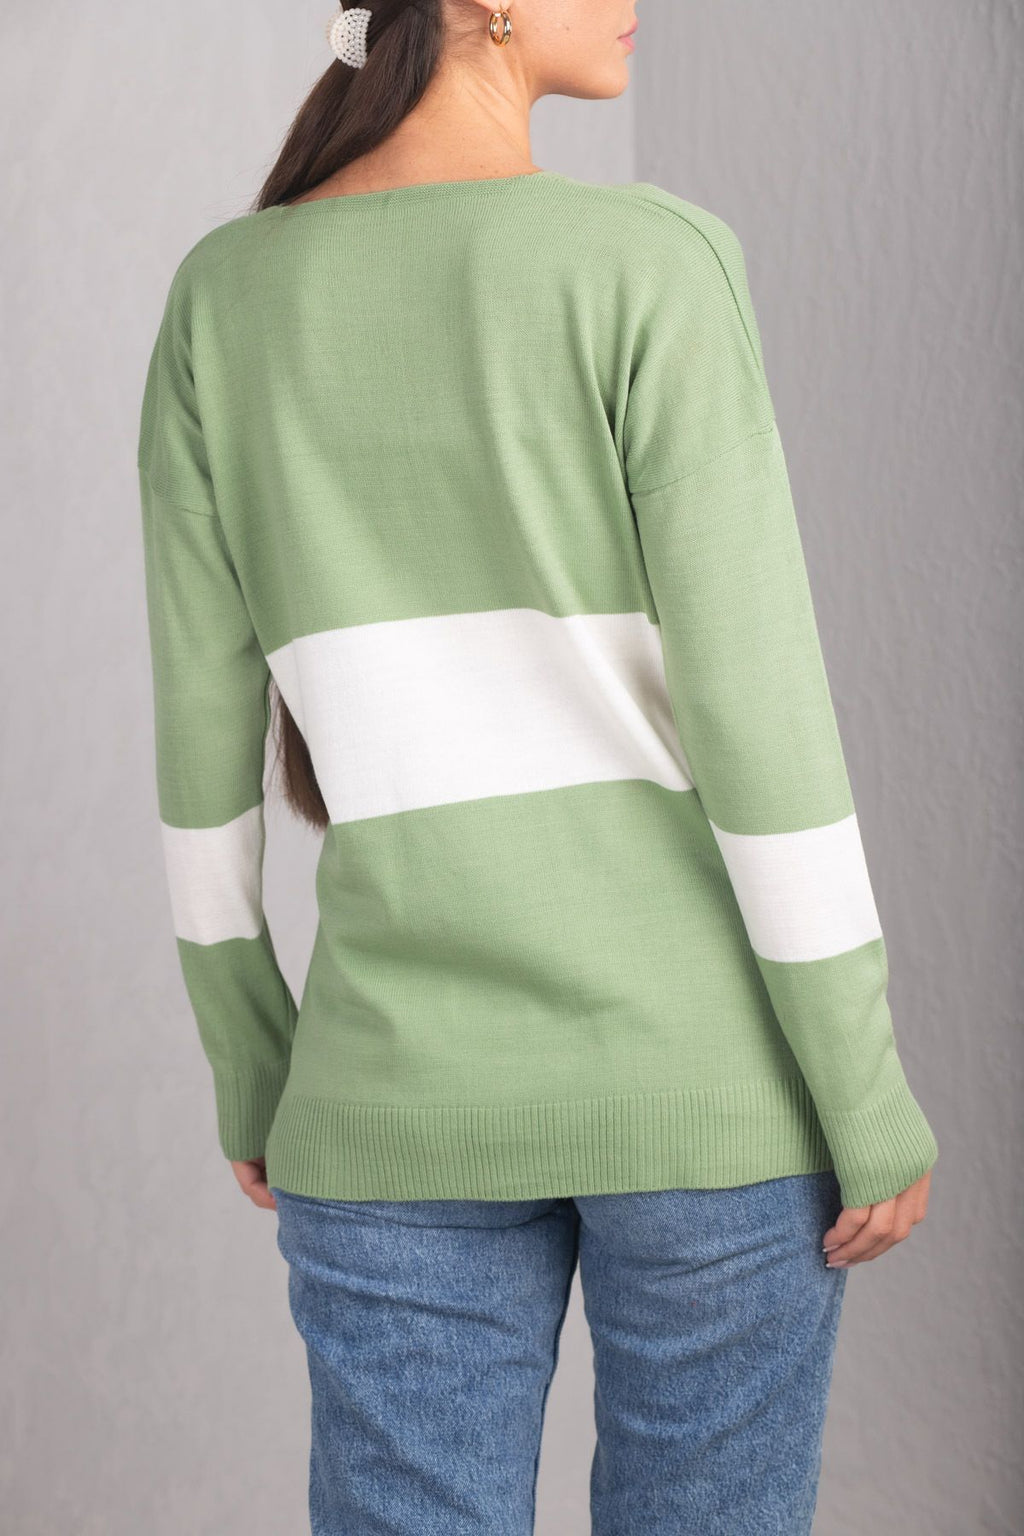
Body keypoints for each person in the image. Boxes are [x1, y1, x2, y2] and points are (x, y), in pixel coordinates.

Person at [136, 1, 939, 1531]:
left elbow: (199, 739)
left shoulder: (221, 298)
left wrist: (253, 1062)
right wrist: (861, 1080)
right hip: (707, 1090)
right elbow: (760, 713)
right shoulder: (650, 260)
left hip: (386, 1093)